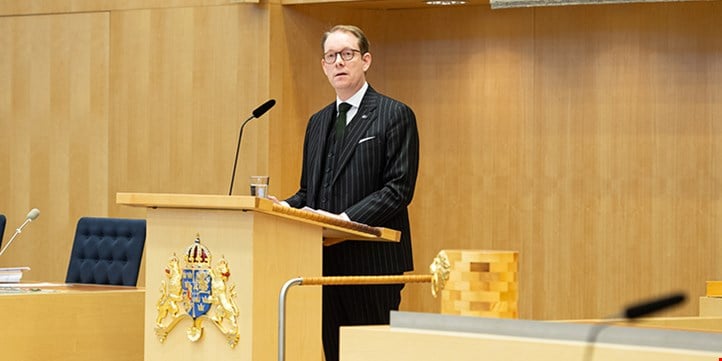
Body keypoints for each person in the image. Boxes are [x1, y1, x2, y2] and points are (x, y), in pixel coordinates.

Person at [279, 24, 420, 361]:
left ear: (366, 60)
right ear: (324, 65)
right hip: (322, 264)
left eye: (347, 54)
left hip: (372, 264)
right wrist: (283, 206)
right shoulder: (317, 121)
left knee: (373, 355)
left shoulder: (394, 115)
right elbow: (308, 192)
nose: (339, 62)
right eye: (331, 56)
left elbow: (398, 189)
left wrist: (344, 221)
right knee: (333, 353)